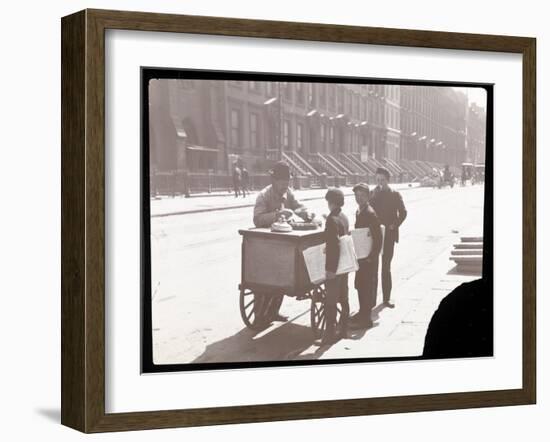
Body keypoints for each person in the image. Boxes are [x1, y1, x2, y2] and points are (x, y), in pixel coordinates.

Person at [253, 161, 313, 321]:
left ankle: (273, 311)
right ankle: (259, 315)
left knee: (284, 275)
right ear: (274, 181)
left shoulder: (289, 193)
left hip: (283, 244)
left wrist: (307, 213)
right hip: (266, 245)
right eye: (282, 183)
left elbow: (298, 206)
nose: (285, 186)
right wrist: (277, 214)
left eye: (287, 183)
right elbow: (257, 219)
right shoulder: (264, 195)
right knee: (265, 281)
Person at [370, 167, 407, 308]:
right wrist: (373, 196)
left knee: (386, 267)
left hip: (389, 236)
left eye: (383, 180)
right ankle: (371, 300)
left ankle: (386, 299)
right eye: (378, 180)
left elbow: (403, 213)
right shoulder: (373, 194)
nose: (380, 183)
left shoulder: (395, 194)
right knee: (372, 267)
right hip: (375, 235)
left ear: (388, 180)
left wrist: (394, 225)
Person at [317, 188, 350, 345]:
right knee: (343, 297)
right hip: (344, 265)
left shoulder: (331, 220)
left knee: (330, 301)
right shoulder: (343, 217)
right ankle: (343, 329)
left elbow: (334, 246)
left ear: (331, 203)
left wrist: (330, 270)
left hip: (334, 267)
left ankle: (328, 335)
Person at [350, 183, 383, 329]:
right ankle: (362, 312)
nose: (359, 198)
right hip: (361, 255)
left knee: (366, 286)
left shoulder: (370, 213)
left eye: (362, 196)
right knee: (360, 285)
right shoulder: (359, 211)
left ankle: (366, 319)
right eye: (356, 196)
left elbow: (378, 238)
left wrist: (372, 256)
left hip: (368, 258)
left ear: (368, 196)